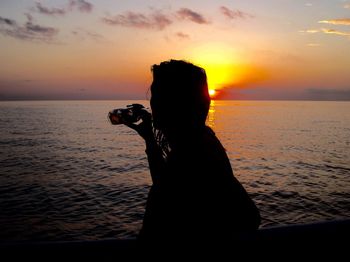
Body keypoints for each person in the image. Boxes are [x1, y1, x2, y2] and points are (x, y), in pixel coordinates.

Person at [125, 59, 260, 247]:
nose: (152, 102)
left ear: (174, 102)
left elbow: (248, 216)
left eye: (157, 94)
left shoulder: (194, 151)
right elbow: (166, 184)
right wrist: (149, 138)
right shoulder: (202, 140)